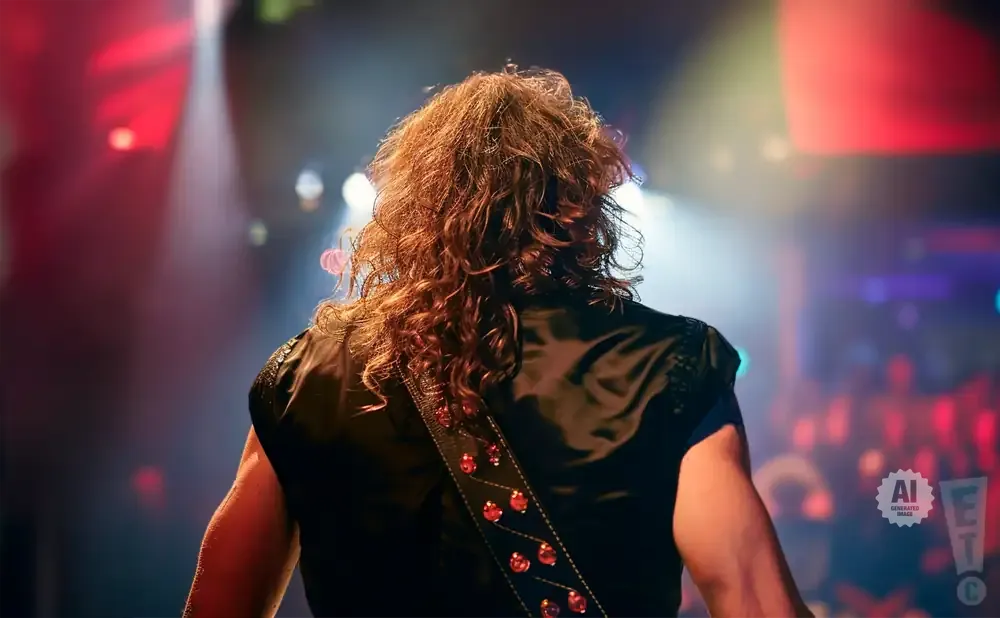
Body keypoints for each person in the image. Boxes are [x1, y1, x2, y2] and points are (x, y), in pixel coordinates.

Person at [183, 67, 811, 618]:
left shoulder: (309, 374)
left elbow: (219, 606)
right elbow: (755, 599)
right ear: (581, 202)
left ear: (410, 206)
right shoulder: (669, 366)